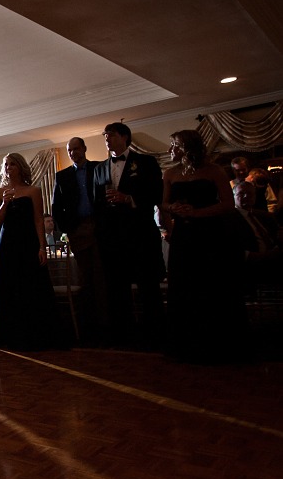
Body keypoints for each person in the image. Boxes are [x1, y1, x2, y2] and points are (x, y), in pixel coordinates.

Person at [161, 130, 250, 361]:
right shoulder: (170, 173)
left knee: (211, 285)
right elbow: (163, 203)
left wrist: (198, 212)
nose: (171, 150)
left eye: (175, 145)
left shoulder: (214, 171)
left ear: (188, 148)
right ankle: (185, 344)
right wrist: (174, 211)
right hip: (183, 235)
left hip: (211, 235)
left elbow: (228, 204)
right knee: (183, 285)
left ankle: (216, 344)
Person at [93, 122, 165, 348]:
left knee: (148, 287)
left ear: (125, 137)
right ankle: (123, 334)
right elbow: (97, 203)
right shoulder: (100, 168)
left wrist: (129, 199)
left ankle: (155, 334)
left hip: (140, 235)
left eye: (111, 135)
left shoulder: (145, 162)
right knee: (117, 288)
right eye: (105, 135)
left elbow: (156, 193)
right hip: (113, 239)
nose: (107, 139)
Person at [0, 153, 66, 350]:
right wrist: (5, 203)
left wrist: (42, 246)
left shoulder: (33, 190)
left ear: (21, 167)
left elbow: (38, 220)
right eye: (6, 164)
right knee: (10, 287)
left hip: (28, 242)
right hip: (7, 243)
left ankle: (38, 334)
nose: (8, 168)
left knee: (31, 285)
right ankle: (10, 336)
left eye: (13, 164)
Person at [52, 136, 107, 345]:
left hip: (100, 229)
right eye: (69, 150)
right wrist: (70, 230)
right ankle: (89, 328)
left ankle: (106, 325)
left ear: (84, 148)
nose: (73, 153)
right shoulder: (62, 176)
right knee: (85, 279)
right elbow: (57, 208)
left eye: (76, 149)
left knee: (102, 277)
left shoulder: (100, 168)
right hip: (78, 231)